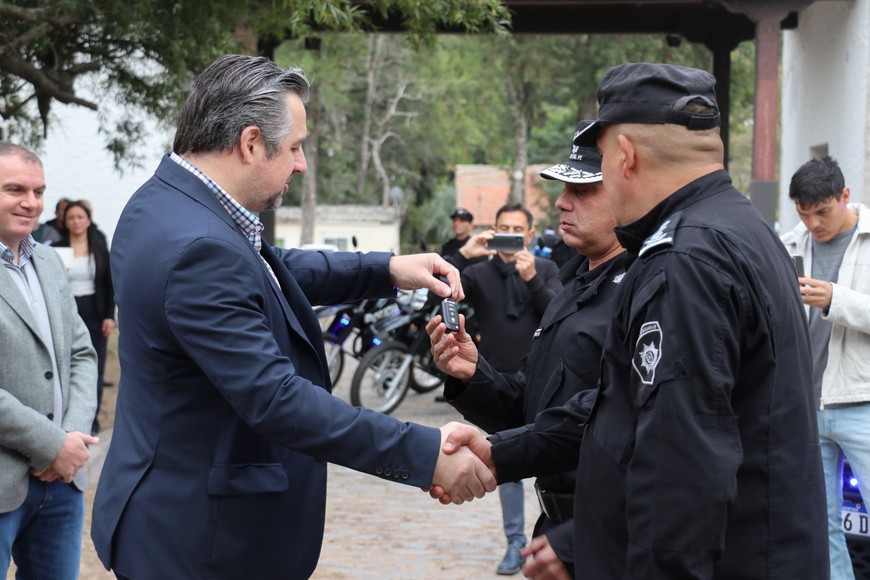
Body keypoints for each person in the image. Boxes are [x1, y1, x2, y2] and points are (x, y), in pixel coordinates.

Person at [89, 54, 495, 580]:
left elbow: (266, 271)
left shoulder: (168, 204)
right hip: (201, 542)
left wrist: (389, 268)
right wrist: (423, 453)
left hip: (175, 513)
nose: (301, 163)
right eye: (297, 147)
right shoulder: (199, 246)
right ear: (251, 142)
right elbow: (276, 399)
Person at [438, 63, 829, 578]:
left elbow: (679, 468)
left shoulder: (687, 258)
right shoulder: (734, 229)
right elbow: (619, 405)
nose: (564, 203)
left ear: (624, 156)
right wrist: (502, 449)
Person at [427, 122, 625, 579]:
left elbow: (612, 421)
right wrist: (471, 375)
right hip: (555, 528)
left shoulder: (640, 292)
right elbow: (528, 408)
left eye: (582, 191)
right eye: (562, 190)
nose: (561, 202)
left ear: (625, 189)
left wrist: (498, 454)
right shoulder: (574, 285)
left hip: (604, 532)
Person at [443, 202, 562, 574]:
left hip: (542, 381)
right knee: (507, 463)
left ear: (529, 235)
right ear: (492, 234)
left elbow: (559, 315)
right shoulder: (478, 272)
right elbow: (444, 291)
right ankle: (515, 543)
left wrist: (532, 280)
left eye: (516, 229)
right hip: (498, 381)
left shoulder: (545, 268)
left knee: (552, 458)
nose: (510, 235)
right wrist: (463, 253)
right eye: (502, 229)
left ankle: (559, 535)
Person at [0, 142, 99, 579]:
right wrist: (51, 445)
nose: (31, 202)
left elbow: (81, 352)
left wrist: (71, 438)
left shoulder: (48, 260)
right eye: (14, 189)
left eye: (38, 191)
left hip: (62, 483)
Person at [781, 155, 870, 580]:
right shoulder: (788, 244)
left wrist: (836, 298)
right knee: (819, 524)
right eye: (804, 213)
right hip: (807, 402)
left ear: (845, 196)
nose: (814, 223)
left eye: (823, 211)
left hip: (861, 401)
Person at [54, 200, 115, 435]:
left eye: (80, 217)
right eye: (71, 217)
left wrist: (110, 315)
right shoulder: (59, 248)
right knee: (67, 365)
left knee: (95, 367)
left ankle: (93, 421)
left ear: (88, 220)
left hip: (94, 310)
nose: (76, 221)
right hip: (67, 309)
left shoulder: (98, 246)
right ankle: (68, 421)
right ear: (65, 222)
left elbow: (110, 284)